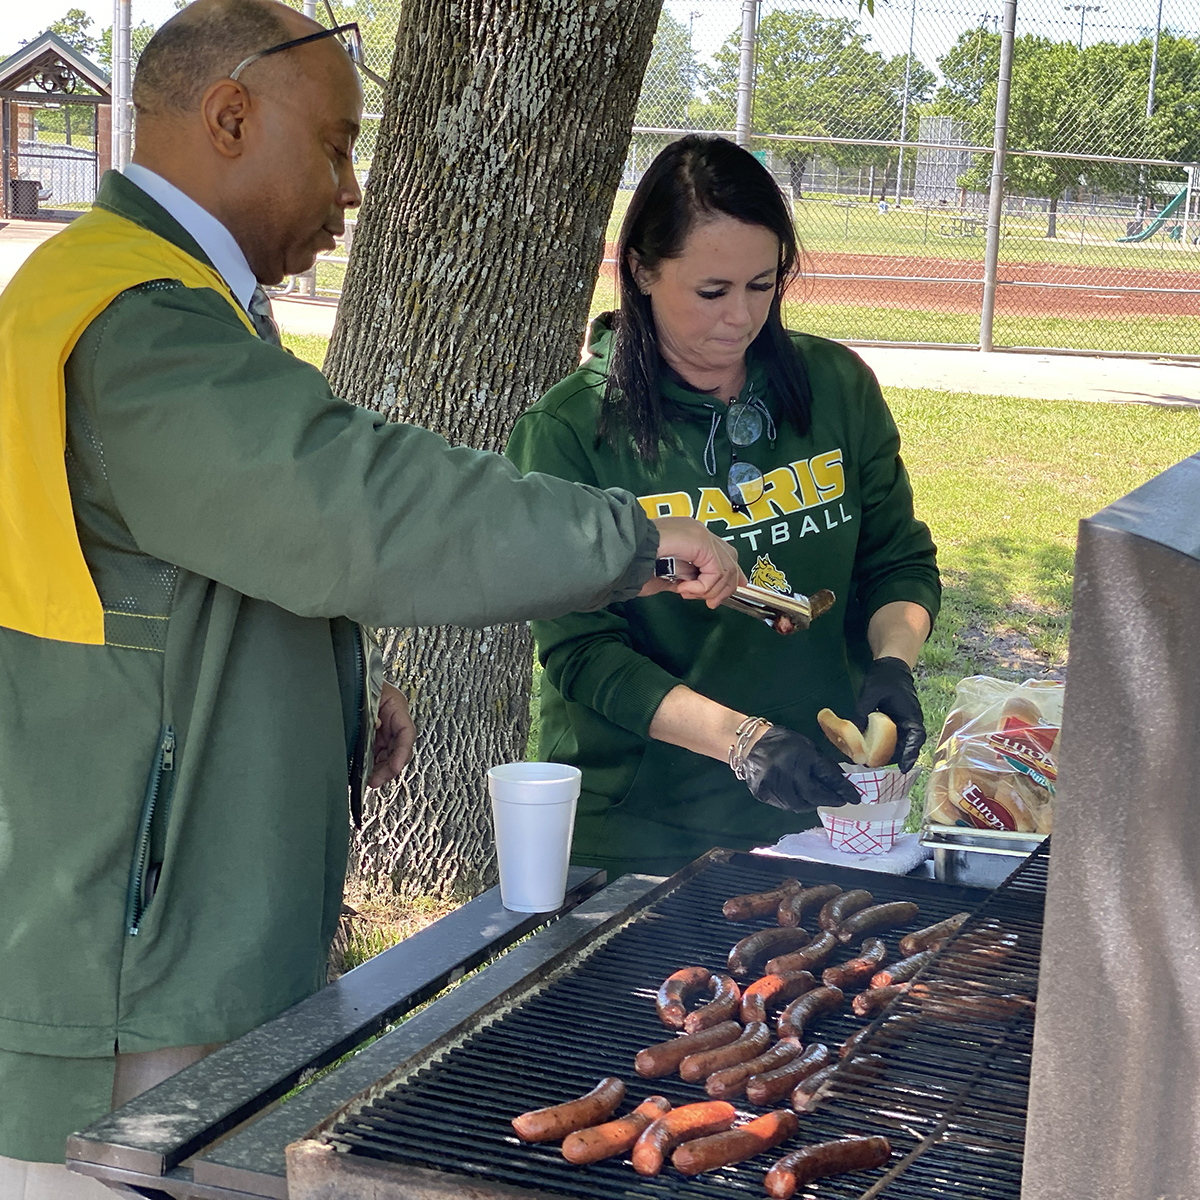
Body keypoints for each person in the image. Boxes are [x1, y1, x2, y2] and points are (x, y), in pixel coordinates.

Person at [0, 4, 742, 1191]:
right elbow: (354, 504)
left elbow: (196, 565)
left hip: (153, 921)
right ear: (230, 115)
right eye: (340, 147)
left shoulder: (158, 297)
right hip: (125, 963)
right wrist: (632, 534)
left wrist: (353, 681)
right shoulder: (136, 321)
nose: (354, 192)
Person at [506, 135, 941, 880]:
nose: (741, 317)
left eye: (763, 285)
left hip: (815, 809)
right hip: (643, 824)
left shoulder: (835, 385)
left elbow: (896, 560)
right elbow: (583, 653)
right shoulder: (569, 432)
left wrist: (893, 664)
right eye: (712, 291)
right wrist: (739, 740)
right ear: (641, 269)